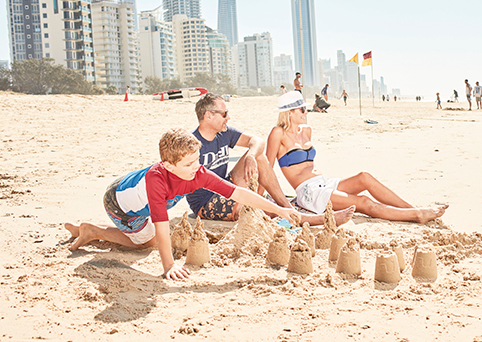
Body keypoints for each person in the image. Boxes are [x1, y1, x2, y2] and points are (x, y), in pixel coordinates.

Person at [64, 128, 301, 280]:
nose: (196, 168)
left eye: (197, 160)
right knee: (147, 243)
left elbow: (238, 193)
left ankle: (84, 229)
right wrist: (169, 266)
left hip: (128, 190)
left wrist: (279, 209)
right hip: (119, 206)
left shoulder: (197, 172)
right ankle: (93, 231)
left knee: (153, 237)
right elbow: (161, 227)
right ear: (168, 165)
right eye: (188, 164)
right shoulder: (156, 182)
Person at [265, 91, 448, 223]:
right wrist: (270, 199)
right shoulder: (277, 133)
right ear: (290, 113)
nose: (307, 112)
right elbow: (266, 167)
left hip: (325, 182)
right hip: (309, 192)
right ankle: (417, 215)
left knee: (364, 177)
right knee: (363, 202)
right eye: (302, 110)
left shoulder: (306, 130)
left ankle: (411, 209)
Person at [186, 93, 352, 226]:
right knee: (250, 207)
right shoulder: (192, 145)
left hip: (226, 184)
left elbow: (258, 141)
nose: (228, 118)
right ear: (208, 116)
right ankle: (306, 219)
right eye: (224, 114)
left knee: (258, 154)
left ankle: (287, 208)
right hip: (206, 201)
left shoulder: (224, 133)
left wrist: (251, 155)